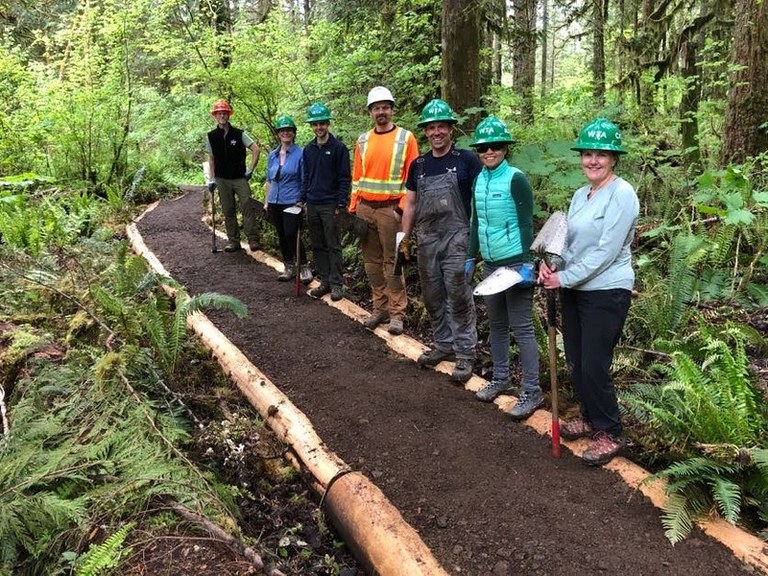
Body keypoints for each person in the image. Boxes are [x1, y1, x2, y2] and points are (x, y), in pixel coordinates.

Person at [538, 117, 638, 466]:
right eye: (587, 154)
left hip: (606, 291)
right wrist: (551, 265)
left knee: (595, 364)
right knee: (577, 361)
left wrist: (564, 279)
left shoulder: (622, 194)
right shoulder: (581, 195)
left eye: (601, 154)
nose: (592, 160)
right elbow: (568, 240)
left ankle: (610, 431)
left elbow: (606, 251)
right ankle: (589, 417)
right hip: (574, 289)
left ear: (614, 158)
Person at [466, 116, 544, 421]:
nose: (489, 151)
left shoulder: (516, 178)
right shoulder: (479, 179)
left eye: (496, 146)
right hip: (491, 264)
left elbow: (527, 223)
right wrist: (470, 257)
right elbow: (476, 223)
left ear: (505, 148)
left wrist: (528, 262)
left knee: (522, 327)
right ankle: (500, 378)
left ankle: (532, 389)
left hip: (514, 263)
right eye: (483, 147)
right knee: (496, 325)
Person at [400, 99, 482, 383]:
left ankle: (465, 353)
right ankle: (443, 344)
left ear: (450, 129)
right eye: (431, 128)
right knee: (433, 295)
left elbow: (480, 199)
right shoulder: (418, 165)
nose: (436, 132)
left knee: (458, 294)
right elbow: (410, 204)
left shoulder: (466, 161)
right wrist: (404, 239)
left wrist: (478, 239)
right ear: (426, 131)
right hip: (426, 239)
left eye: (441, 127)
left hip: (458, 236)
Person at [348, 86, 419, 335]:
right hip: (365, 209)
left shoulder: (406, 138)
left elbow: (413, 178)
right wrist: (354, 206)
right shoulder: (363, 140)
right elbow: (357, 177)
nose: (381, 112)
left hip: (391, 211)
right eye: (376, 108)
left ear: (391, 110)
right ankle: (379, 308)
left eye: (385, 107)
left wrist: (401, 209)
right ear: (370, 112)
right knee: (371, 263)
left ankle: (397, 314)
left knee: (394, 263)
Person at [301, 102, 351, 302]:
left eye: (322, 123)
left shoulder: (338, 148)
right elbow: (306, 176)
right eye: (315, 124)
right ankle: (325, 281)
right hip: (312, 203)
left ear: (328, 124)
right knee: (318, 244)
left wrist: (341, 203)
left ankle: (337, 283)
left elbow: (344, 177)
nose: (318, 128)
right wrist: (303, 198)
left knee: (333, 244)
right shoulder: (308, 149)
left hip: (330, 204)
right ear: (311, 126)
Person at [205, 100, 261, 253]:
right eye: (219, 113)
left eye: (225, 113)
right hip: (222, 179)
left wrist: (250, 170)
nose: (222, 115)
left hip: (239, 178)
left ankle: (253, 239)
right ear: (215, 116)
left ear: (229, 115)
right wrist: (212, 178)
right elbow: (211, 159)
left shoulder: (239, 133)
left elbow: (256, 149)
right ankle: (233, 241)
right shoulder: (211, 136)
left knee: (247, 207)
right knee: (228, 209)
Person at [265, 115, 312, 284]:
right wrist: (266, 201)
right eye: (282, 130)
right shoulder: (273, 155)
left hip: (293, 200)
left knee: (291, 233)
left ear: (293, 133)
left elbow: (305, 178)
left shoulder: (301, 153)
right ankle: (289, 266)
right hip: (275, 200)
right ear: (278, 133)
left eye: (289, 130)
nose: (286, 133)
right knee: (281, 235)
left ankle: (304, 266)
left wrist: (302, 200)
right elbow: (269, 180)